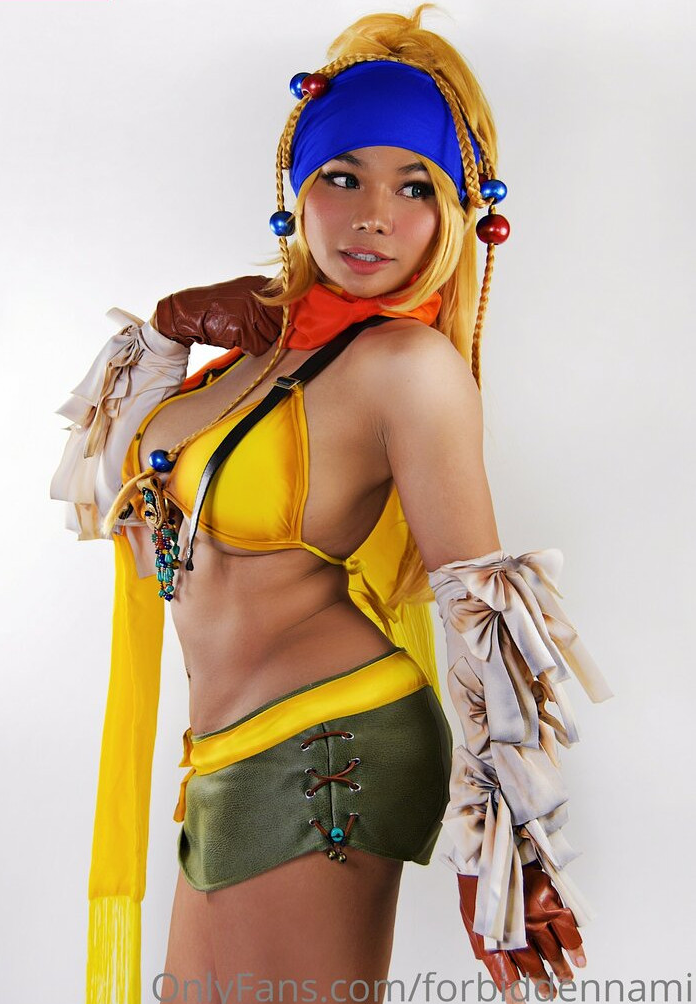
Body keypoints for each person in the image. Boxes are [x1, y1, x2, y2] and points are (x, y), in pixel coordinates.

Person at [51, 7, 613, 1004]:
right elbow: (116, 501)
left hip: (330, 747)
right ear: (298, 191)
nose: (372, 216)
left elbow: (478, 607)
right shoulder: (256, 353)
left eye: (414, 186)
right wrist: (173, 326)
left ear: (454, 213)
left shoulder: (409, 368)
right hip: (221, 749)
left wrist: (504, 842)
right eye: (343, 176)